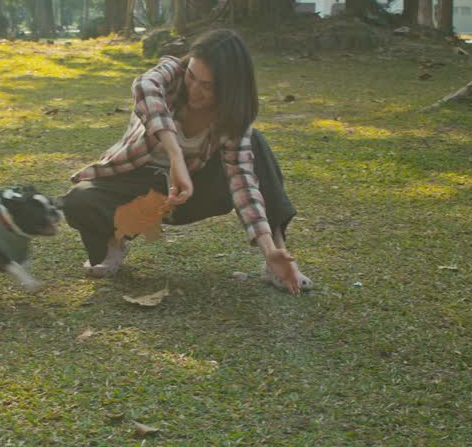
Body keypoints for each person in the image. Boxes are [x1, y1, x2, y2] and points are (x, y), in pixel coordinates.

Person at [61, 28, 313, 294]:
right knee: (78, 200)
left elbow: (244, 186)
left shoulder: (232, 118)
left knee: (255, 142)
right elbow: (144, 86)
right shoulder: (172, 73)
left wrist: (269, 250)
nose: (194, 89)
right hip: (139, 189)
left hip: (189, 195)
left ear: (229, 90)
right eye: (192, 76)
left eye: (207, 86)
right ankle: (114, 242)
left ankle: (277, 255)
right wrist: (175, 155)